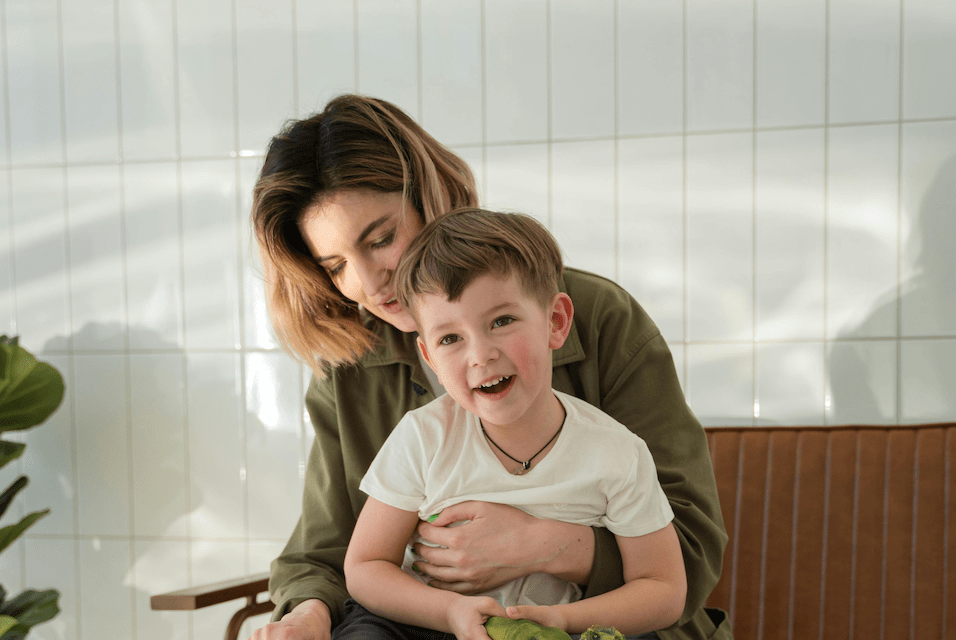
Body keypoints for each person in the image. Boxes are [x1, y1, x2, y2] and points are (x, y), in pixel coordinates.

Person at [248, 94, 730, 640]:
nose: (368, 283)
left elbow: (689, 555)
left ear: (432, 196)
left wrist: (546, 546)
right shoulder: (350, 366)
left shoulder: (601, 319)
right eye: (335, 266)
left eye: (381, 238)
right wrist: (308, 613)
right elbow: (325, 550)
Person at [337, 208, 687, 640]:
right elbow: (366, 567)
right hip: (426, 621)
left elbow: (663, 589)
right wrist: (449, 612)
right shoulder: (424, 436)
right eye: (450, 338)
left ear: (555, 322)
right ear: (429, 356)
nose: (480, 355)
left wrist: (565, 621)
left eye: (501, 321)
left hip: (558, 628)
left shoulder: (617, 453)